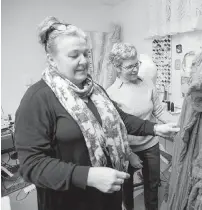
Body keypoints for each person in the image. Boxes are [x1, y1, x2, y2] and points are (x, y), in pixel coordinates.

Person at [14, 16, 179, 210]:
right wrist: (88, 176)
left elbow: (121, 119)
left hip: (107, 198)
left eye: (86, 53)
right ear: (52, 59)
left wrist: (156, 128)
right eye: (74, 55)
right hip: (70, 202)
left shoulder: (96, 90)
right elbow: (31, 165)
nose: (84, 61)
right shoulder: (38, 99)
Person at [107, 43, 175, 210]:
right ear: (117, 67)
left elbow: (159, 110)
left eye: (137, 64)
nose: (135, 69)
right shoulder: (111, 93)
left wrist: (175, 124)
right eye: (129, 66)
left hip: (151, 144)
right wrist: (129, 154)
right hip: (128, 148)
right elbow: (115, 131)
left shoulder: (147, 84)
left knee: (152, 185)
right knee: (126, 189)